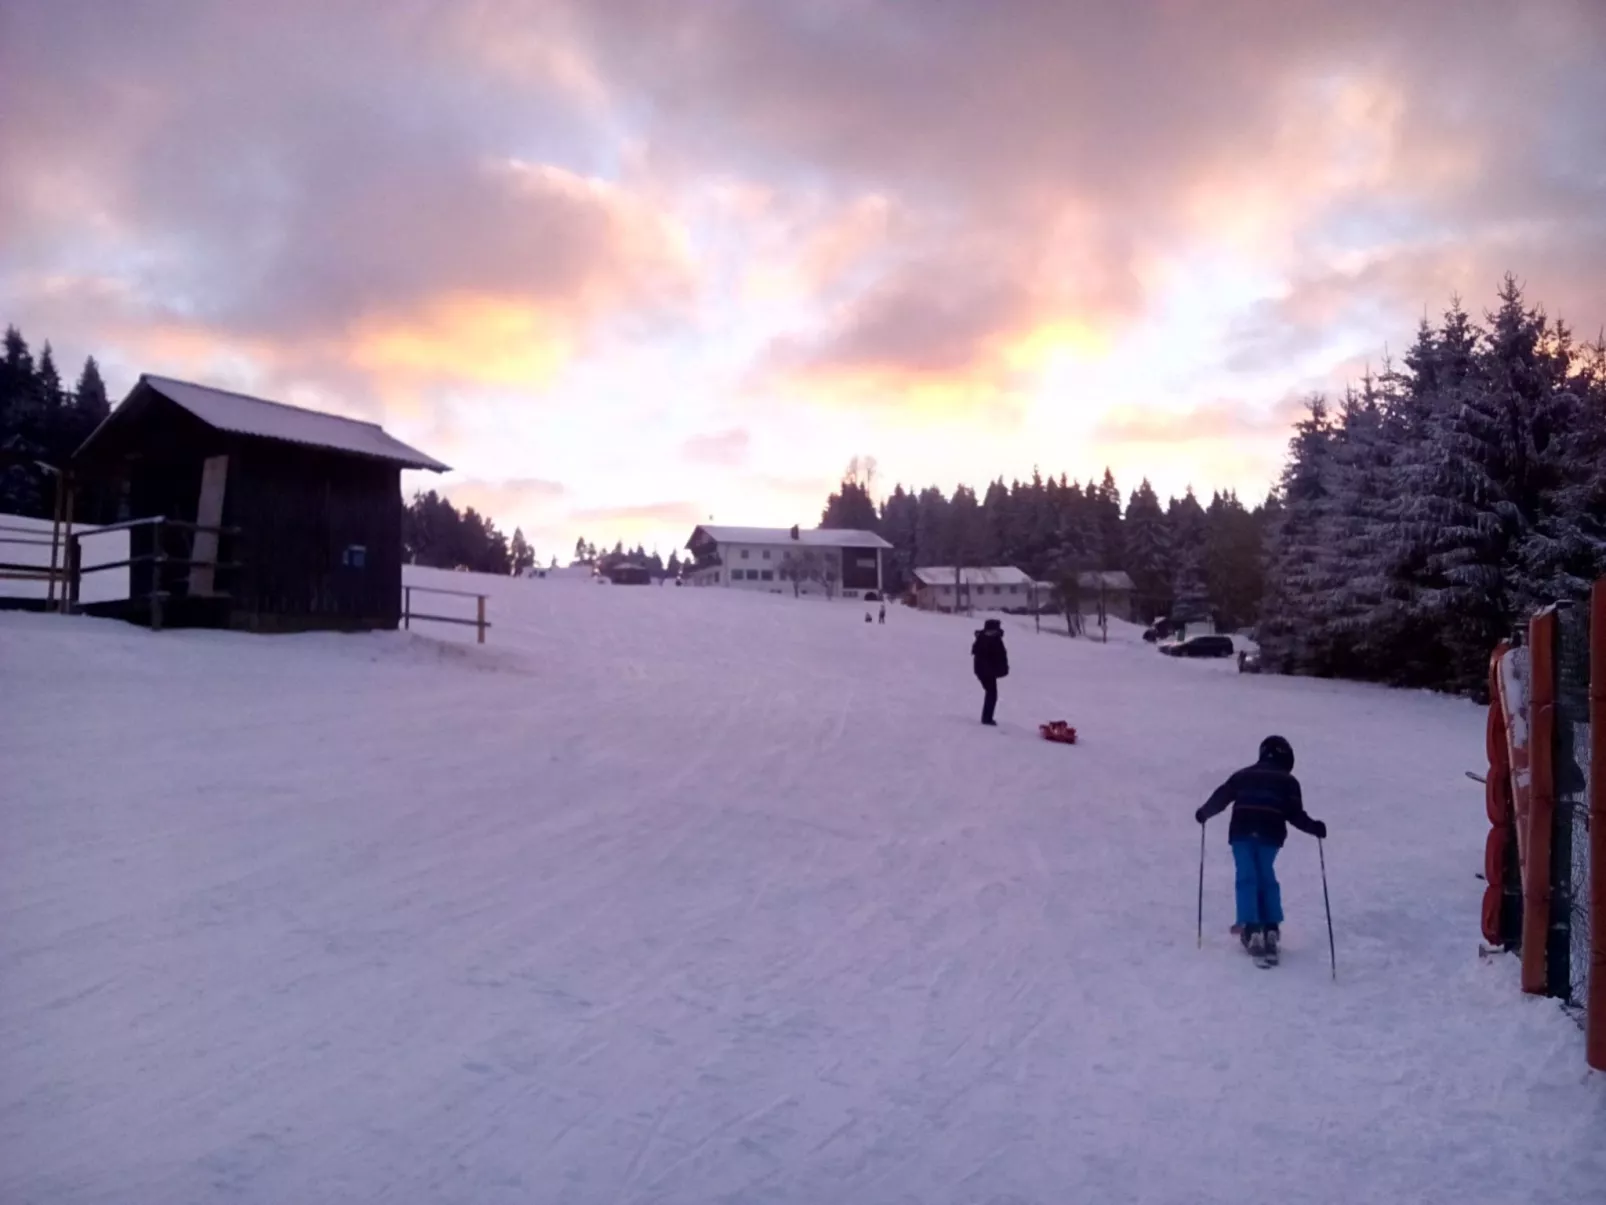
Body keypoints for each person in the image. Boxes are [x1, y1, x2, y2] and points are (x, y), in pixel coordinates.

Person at [1194, 735, 1327, 963]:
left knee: (1247, 876)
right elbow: (1295, 814)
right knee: (1266, 875)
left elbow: (1222, 796)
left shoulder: (1242, 775)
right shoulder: (1289, 782)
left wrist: (1205, 812)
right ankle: (1271, 927)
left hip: (1242, 832)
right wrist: (1314, 827)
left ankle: (1253, 928)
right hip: (1270, 833)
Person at [971, 618, 1009, 726]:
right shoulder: (985, 640)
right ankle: (987, 718)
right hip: (985, 672)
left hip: (987, 671)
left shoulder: (991, 638)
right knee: (992, 694)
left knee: (991, 694)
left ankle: (987, 717)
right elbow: (985, 657)